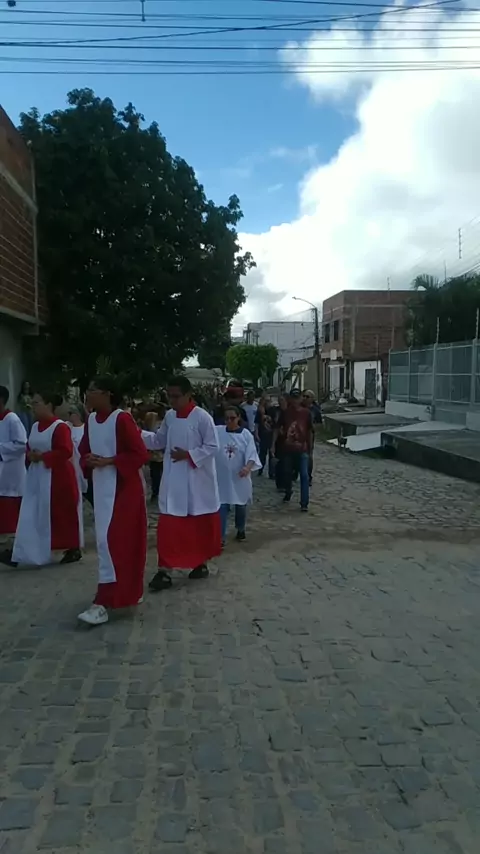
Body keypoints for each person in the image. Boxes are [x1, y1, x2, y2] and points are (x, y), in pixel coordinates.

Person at [77, 376, 149, 626]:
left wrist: (110, 461)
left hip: (124, 489)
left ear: (107, 394)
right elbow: (84, 449)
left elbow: (139, 453)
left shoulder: (122, 419)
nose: (88, 394)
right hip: (102, 488)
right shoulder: (91, 420)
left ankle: (105, 601)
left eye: (92, 390)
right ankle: (118, 592)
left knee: (116, 541)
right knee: (104, 540)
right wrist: (88, 459)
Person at [142, 376, 221, 591]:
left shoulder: (202, 417)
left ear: (188, 395)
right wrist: (137, 434)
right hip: (174, 481)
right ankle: (164, 570)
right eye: (170, 396)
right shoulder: (170, 416)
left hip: (197, 482)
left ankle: (200, 563)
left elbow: (213, 446)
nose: (172, 400)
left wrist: (189, 455)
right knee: (170, 527)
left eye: (176, 396)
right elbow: (159, 440)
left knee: (197, 525)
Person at [3, 391, 83, 567]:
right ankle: (23, 551)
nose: (33, 406)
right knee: (32, 511)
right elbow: (29, 446)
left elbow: (65, 451)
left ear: (48, 405)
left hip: (57, 476)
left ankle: (71, 547)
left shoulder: (59, 427)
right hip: (37, 475)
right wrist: (30, 455)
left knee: (60, 514)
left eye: (36, 403)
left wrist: (44, 457)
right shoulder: (35, 426)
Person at [216, 405, 261, 545]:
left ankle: (240, 528)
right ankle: (220, 537)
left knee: (240, 505)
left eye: (232, 418)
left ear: (238, 418)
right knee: (221, 506)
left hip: (239, 477)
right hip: (222, 477)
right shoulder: (218, 431)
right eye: (226, 418)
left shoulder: (246, 435)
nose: (229, 421)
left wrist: (247, 468)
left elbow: (252, 454)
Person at [278, 389, 314, 512]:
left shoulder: (306, 413)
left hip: (302, 448)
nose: (295, 401)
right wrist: (274, 444)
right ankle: (288, 491)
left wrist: (310, 448)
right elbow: (278, 427)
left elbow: (309, 430)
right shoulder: (286, 413)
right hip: (288, 448)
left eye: (297, 398)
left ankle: (304, 502)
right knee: (287, 473)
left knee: (304, 475)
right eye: (293, 398)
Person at [0, 385, 27, 543]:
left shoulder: (12, 419)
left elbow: (22, 444)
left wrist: (1, 449)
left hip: (11, 474)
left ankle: (11, 543)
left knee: (10, 511)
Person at [144, 406, 165, 502]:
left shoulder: (166, 422)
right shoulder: (152, 420)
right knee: (155, 475)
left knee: (163, 475)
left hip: (164, 455)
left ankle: (162, 493)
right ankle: (155, 493)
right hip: (155, 455)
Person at [67, 405, 88, 497]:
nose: (69, 415)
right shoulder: (66, 426)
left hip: (80, 462)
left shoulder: (85, 429)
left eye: (71, 413)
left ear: (77, 415)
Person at [302, 390, 323, 486]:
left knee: (308, 455)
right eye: (304, 396)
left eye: (307, 397)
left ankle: (308, 476)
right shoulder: (299, 407)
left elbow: (319, 424)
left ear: (312, 399)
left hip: (309, 435)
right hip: (298, 434)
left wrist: (313, 428)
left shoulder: (315, 410)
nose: (305, 398)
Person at [254, 395, 276, 478]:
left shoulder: (273, 411)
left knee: (271, 454)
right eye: (265, 401)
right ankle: (260, 468)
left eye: (268, 401)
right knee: (262, 453)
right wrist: (256, 434)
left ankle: (272, 472)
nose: (267, 402)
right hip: (262, 435)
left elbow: (276, 423)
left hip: (271, 435)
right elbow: (256, 423)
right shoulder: (259, 411)